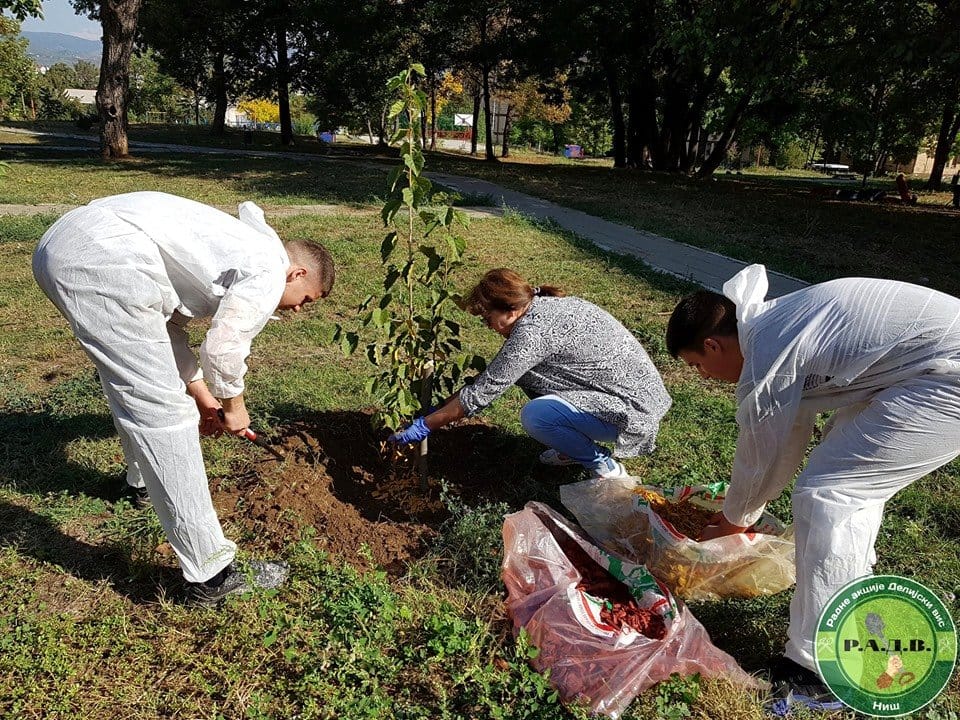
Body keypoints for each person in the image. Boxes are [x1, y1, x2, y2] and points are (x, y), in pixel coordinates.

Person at [666, 263, 960, 697]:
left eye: (697, 365)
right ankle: (848, 591)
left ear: (712, 345)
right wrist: (741, 515)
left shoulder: (768, 349)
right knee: (845, 487)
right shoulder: (772, 328)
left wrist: (732, 523)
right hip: (919, 370)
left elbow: (761, 453)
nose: (703, 376)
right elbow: (788, 433)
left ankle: (818, 671)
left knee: (830, 494)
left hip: (946, 376)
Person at [32, 191, 335, 606]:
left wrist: (202, 394)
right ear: (297, 273)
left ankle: (138, 486)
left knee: (134, 385)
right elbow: (224, 350)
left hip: (64, 244)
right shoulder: (269, 268)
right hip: (106, 257)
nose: (299, 310)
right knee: (165, 414)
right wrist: (234, 407)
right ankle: (211, 574)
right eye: (307, 300)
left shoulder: (241, 250)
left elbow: (166, 329)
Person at [388, 268, 671, 480]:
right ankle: (572, 446)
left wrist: (427, 424)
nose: (488, 326)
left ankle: (603, 466)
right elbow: (494, 376)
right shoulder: (541, 307)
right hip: (632, 395)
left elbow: (484, 391)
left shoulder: (532, 335)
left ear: (510, 310)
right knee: (529, 378)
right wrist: (441, 408)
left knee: (537, 416)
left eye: (488, 319)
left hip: (631, 411)